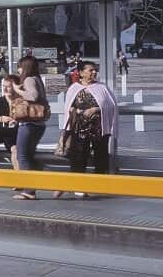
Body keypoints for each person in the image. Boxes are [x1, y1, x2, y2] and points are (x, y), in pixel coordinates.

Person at [60, 61, 118, 196]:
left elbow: (111, 105)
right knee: (79, 157)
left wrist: (96, 109)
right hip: (79, 128)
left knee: (100, 157)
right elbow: (69, 107)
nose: (93, 72)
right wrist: (80, 112)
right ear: (80, 72)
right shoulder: (74, 88)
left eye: (95, 70)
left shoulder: (102, 87)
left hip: (99, 128)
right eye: (90, 70)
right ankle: (79, 186)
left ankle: (98, 185)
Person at [13, 55, 48, 200]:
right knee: (29, 156)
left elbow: (33, 96)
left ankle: (29, 190)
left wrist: (17, 89)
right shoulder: (37, 79)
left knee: (22, 156)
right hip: (38, 124)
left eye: (20, 66)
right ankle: (42, 176)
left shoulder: (28, 79)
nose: (18, 70)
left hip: (29, 123)